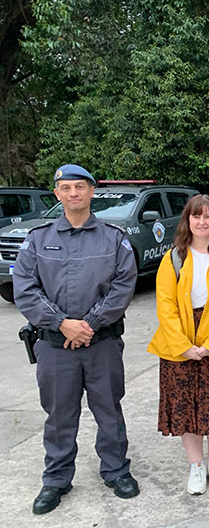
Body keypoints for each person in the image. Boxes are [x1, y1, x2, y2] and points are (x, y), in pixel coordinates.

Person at [13, 164, 139, 515]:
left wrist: (88, 325)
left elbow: (122, 288)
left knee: (109, 410)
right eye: (66, 188)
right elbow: (24, 288)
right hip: (55, 346)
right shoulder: (38, 239)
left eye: (80, 187)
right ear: (57, 193)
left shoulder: (114, 238)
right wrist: (62, 323)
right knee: (58, 415)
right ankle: (56, 479)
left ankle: (116, 470)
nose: (73, 194)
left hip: (102, 345)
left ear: (91, 192)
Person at [147, 194, 209, 495]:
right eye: (196, 216)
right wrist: (183, 345)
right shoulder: (173, 257)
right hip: (178, 341)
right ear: (187, 220)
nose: (202, 222)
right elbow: (165, 305)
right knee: (185, 406)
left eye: (208, 216)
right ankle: (196, 465)